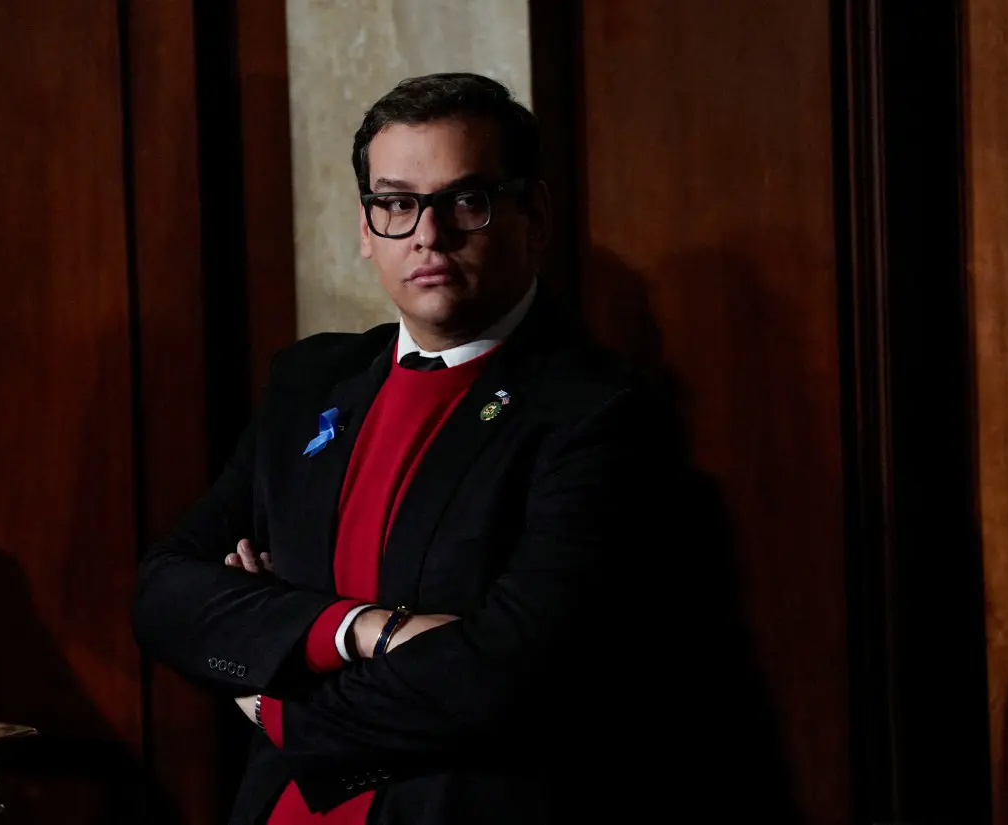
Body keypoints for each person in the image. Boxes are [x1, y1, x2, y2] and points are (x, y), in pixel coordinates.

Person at [132, 72, 688, 825]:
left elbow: (505, 673)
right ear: (366, 228)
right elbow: (166, 590)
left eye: (465, 200)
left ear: (533, 214)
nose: (427, 233)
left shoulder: (594, 412)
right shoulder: (306, 381)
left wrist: (276, 699)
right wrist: (366, 629)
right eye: (395, 203)